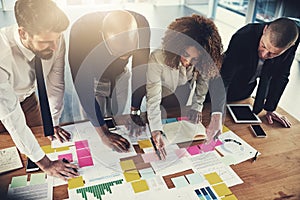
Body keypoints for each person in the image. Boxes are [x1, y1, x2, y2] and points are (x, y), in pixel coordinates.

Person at [0, 0, 78, 180]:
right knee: (11, 168)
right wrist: (46, 164)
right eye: (46, 42)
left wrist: (53, 121)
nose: (55, 47)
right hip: (4, 108)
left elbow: (55, 83)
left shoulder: (54, 39)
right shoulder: (2, 53)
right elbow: (11, 116)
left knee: (43, 139)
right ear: (23, 33)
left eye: (57, 39)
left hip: (27, 99)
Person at [69, 10, 150, 152]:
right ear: (103, 37)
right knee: (93, 124)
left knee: (118, 116)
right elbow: (84, 89)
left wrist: (135, 111)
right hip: (93, 77)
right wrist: (103, 133)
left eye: (129, 53)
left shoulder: (141, 25)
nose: (125, 57)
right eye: (119, 54)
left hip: (120, 75)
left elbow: (141, 70)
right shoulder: (80, 33)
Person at [146, 15, 225, 156]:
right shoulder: (158, 57)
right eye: (184, 54)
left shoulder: (202, 61)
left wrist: (197, 106)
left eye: (194, 58)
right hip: (161, 91)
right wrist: (156, 129)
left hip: (182, 90)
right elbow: (153, 99)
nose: (187, 62)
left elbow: (202, 82)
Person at [221, 17, 299, 128]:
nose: (264, 55)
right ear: (265, 30)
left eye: (273, 54)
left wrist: (270, 108)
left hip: (245, 91)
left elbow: (281, 75)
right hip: (226, 85)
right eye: (263, 45)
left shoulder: (291, 42)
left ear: (289, 47)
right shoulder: (243, 36)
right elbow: (225, 75)